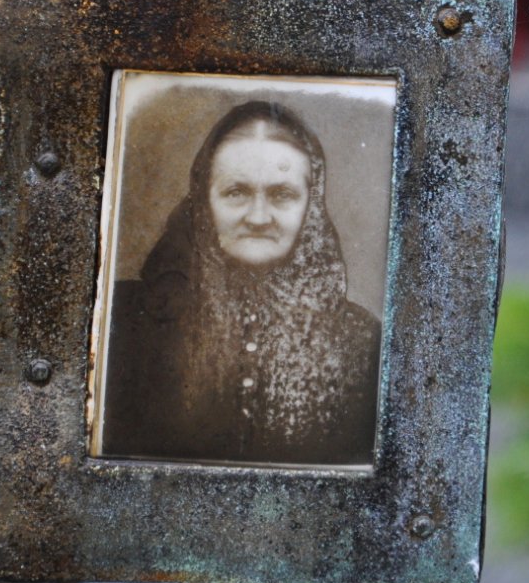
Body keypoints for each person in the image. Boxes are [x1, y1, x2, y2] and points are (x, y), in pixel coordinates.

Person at [101, 101, 380, 466]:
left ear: (310, 207)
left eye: (282, 194)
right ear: (204, 200)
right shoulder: (122, 319)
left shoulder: (363, 342)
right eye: (236, 192)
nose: (259, 217)